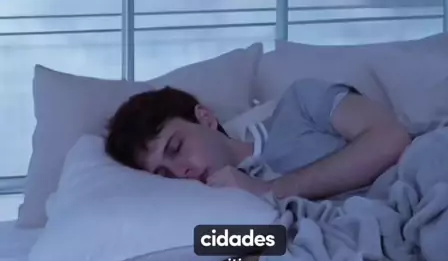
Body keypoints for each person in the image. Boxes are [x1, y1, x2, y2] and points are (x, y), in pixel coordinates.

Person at [105, 77, 412, 201]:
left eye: (176, 148)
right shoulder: (212, 209)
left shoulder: (300, 104)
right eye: (164, 175)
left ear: (206, 118)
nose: (180, 172)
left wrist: (270, 190)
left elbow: (391, 138)